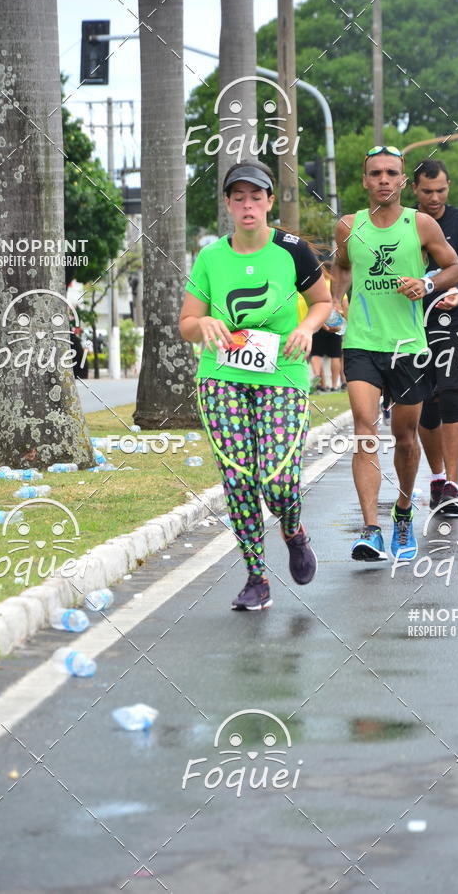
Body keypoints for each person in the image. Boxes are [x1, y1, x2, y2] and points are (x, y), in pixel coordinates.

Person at [179, 159, 331, 610]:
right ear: (228, 204)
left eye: (256, 197)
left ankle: (293, 529)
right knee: (239, 478)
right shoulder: (210, 257)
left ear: (268, 201)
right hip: (222, 378)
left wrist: (307, 330)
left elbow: (322, 301)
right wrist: (203, 322)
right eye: (238, 197)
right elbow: (186, 322)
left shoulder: (292, 249)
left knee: (279, 482)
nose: (248, 206)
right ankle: (256, 578)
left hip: (282, 376)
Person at [331, 145, 458, 563]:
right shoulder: (348, 226)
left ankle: (403, 512)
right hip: (362, 344)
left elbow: (456, 269)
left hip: (408, 347)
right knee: (364, 427)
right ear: (365, 180)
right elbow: (341, 266)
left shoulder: (420, 224)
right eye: (376, 174)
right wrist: (336, 302)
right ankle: (371, 530)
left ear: (403, 181)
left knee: (406, 438)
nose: (384, 180)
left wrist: (427, 284)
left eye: (391, 172)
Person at [412, 160, 458, 516]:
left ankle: (452, 484)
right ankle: (437, 477)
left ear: (448, 186)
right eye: (427, 192)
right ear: (415, 190)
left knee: (450, 396)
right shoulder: (404, 223)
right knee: (425, 403)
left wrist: (455, 287)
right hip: (410, 324)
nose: (435, 198)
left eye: (441, 190)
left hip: (453, 321)